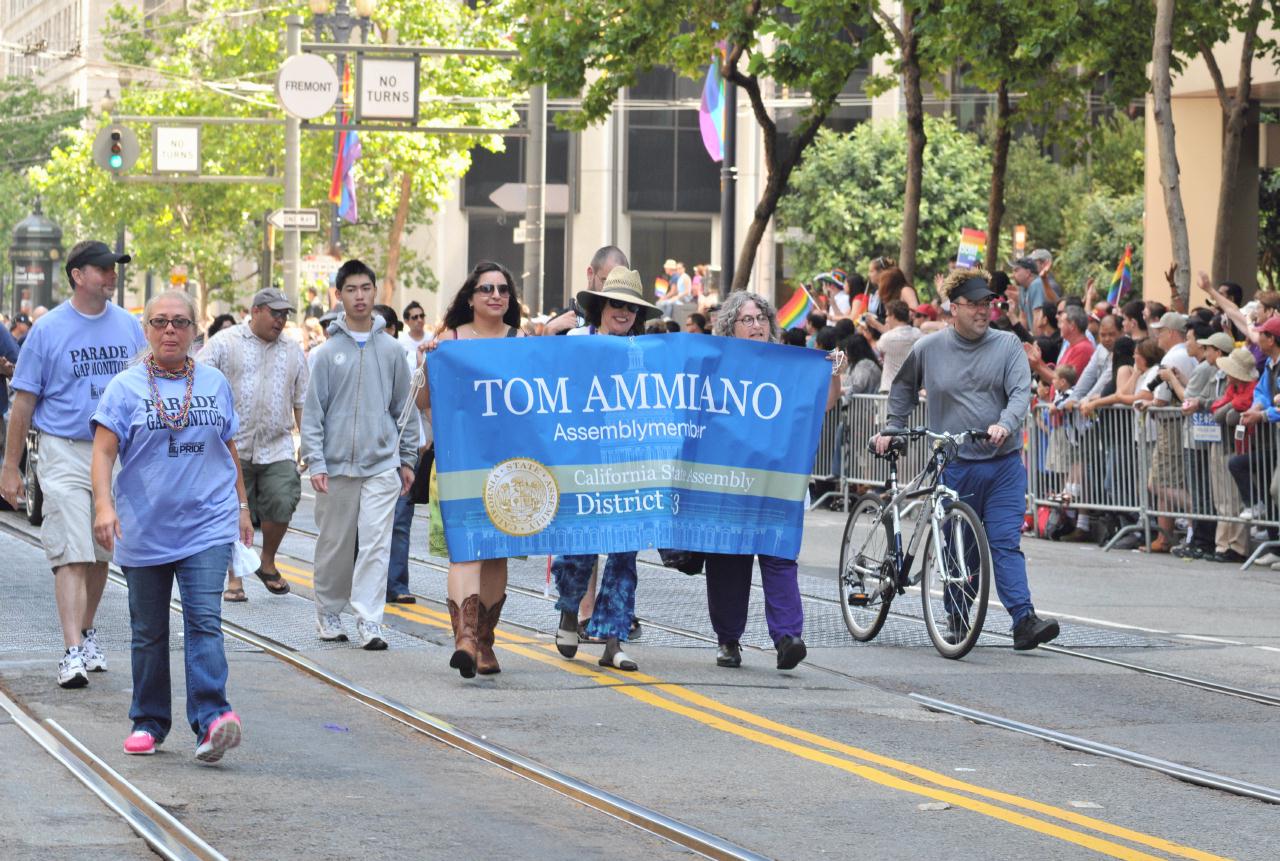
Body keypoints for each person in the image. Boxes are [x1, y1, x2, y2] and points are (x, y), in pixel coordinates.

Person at [90, 289, 250, 761]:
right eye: (159, 322)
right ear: (146, 330)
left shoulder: (215, 382)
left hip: (207, 522)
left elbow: (229, 447)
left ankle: (212, 720)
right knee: (149, 631)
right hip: (144, 526)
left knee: (205, 621)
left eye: (180, 322)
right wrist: (104, 506)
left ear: (195, 330)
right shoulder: (125, 387)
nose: (170, 330)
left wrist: (241, 506)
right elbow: (102, 451)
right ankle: (149, 720)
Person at [876, 268, 1059, 651]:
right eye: (973, 304)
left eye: (986, 304)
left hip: (1003, 463)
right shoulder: (929, 349)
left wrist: (1005, 424)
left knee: (1005, 541)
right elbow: (904, 386)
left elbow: (1019, 394)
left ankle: (1023, 619)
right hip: (955, 465)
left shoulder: (1007, 345)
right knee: (960, 546)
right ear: (952, 309)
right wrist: (894, 427)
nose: (982, 311)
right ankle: (957, 614)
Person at [1, 240, 145, 688]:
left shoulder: (129, 327)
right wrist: (10, 467)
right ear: (78, 275)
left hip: (114, 452)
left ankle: (86, 631)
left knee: (101, 551)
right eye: (103, 269)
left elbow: (145, 389)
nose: (111, 276)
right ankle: (71, 650)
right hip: (64, 447)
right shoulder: (48, 331)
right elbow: (23, 403)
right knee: (71, 549)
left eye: (114, 268)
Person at [704, 290, 843, 669]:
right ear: (730, 328)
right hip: (728, 481)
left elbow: (826, 402)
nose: (756, 325)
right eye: (747, 319)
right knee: (727, 559)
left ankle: (787, 637)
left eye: (761, 318)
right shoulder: (714, 364)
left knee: (779, 555)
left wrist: (834, 372)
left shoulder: (788, 366)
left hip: (777, 479)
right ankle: (728, 639)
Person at [301, 260, 417, 651]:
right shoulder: (326, 353)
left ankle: (370, 619)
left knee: (375, 543)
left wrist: (407, 459)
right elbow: (313, 412)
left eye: (366, 288)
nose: (360, 296)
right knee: (334, 543)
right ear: (339, 296)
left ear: (375, 292)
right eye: (351, 289)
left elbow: (405, 408)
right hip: (335, 467)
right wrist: (316, 460)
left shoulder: (392, 351)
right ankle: (329, 611)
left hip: (382, 463)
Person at [552, 267, 662, 672]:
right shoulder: (574, 344)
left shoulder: (646, 351)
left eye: (633, 307)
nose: (625, 312)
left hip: (630, 463)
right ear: (600, 306)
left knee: (624, 554)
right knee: (578, 548)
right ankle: (568, 612)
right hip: (581, 460)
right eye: (617, 303)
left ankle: (613, 640)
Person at [418, 261, 525, 677]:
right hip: (459, 460)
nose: (496, 295)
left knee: (496, 555)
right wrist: (427, 358)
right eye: (486, 289)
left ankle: (484, 639)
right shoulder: (450, 340)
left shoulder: (522, 342)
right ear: (470, 297)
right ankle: (463, 637)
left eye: (503, 289)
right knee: (465, 549)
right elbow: (426, 401)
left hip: (508, 465)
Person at [197, 287, 309, 602]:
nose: (281, 320)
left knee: (283, 500)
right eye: (275, 313)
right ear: (256, 311)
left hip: (277, 446)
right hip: (232, 444)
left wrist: (309, 442)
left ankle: (267, 561)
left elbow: (302, 401)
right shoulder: (224, 343)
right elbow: (198, 379)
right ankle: (235, 579)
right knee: (235, 512)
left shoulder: (293, 350)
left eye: (285, 314)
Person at [543, 245, 629, 336]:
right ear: (590, 274)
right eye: (607, 282)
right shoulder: (563, 325)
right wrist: (548, 334)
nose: (613, 292)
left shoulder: (630, 322)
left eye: (621, 287)